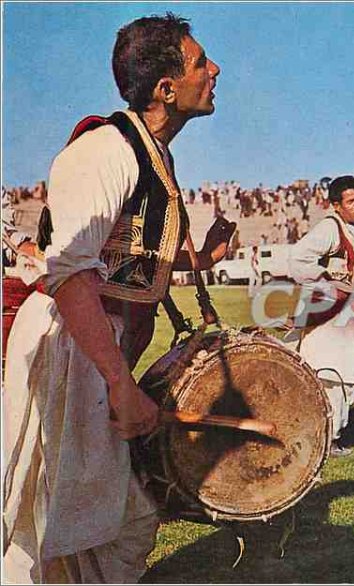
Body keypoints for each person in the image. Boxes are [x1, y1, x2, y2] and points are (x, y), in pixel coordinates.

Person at [3, 14, 232, 583]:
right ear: (165, 87)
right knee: (73, 524)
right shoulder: (103, 150)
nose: (215, 69)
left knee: (87, 524)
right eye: (201, 61)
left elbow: (121, 261)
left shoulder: (152, 154)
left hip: (94, 353)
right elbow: (71, 273)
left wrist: (200, 261)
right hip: (72, 349)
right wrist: (119, 384)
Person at [287, 175, 354, 458]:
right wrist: (326, 278)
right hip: (326, 314)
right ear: (336, 205)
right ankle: (327, 438)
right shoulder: (329, 229)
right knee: (329, 375)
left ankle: (329, 432)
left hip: (349, 314)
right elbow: (298, 258)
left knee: (350, 372)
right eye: (351, 201)